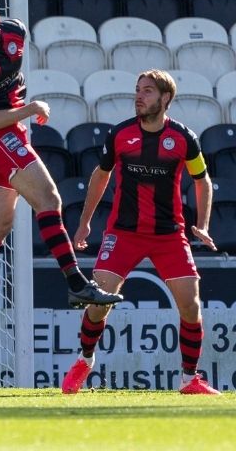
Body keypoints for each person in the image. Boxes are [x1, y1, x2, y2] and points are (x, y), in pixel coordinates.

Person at [0, 0, 122, 340]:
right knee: (49, 198)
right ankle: (76, 283)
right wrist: (30, 107)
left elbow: (10, 82)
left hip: (11, 130)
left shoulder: (16, 32)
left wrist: (21, 108)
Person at [62, 70, 220, 395]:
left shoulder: (184, 138)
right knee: (99, 300)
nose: (139, 96)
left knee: (191, 305)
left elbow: (202, 180)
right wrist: (84, 222)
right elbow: (100, 175)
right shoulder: (120, 134)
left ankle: (189, 379)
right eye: (137, 90)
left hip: (169, 235)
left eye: (147, 91)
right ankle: (84, 360)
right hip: (124, 233)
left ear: (165, 99)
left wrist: (202, 224)